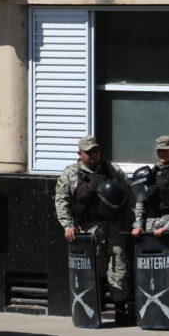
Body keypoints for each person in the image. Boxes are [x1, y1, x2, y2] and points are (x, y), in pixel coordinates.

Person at [54, 135, 133, 321]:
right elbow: (61, 200)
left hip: (113, 227)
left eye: (96, 151)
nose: (94, 155)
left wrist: (131, 222)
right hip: (87, 231)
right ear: (79, 154)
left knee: (119, 268)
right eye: (89, 152)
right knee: (90, 271)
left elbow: (129, 196)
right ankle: (91, 312)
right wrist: (67, 225)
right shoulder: (70, 173)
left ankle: (121, 311)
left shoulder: (112, 170)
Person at [131, 135, 169, 238]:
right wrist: (138, 224)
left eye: (165, 151)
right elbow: (141, 198)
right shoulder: (153, 170)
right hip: (152, 224)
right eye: (159, 151)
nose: (161, 154)